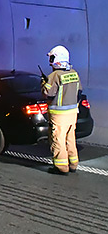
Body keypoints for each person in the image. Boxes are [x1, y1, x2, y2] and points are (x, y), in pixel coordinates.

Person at [41, 45, 82, 175]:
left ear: (57, 59)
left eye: (52, 58)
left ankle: (61, 167)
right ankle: (73, 164)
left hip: (59, 115)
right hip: (72, 113)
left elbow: (48, 94)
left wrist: (43, 83)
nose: (50, 62)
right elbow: (79, 92)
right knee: (70, 138)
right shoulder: (74, 73)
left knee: (58, 140)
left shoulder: (54, 75)